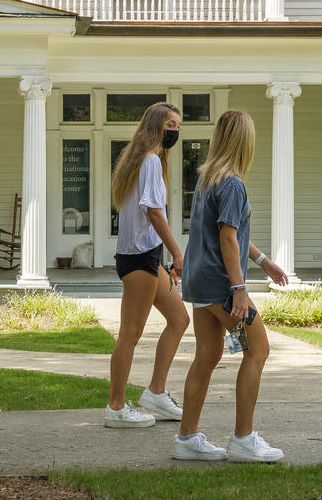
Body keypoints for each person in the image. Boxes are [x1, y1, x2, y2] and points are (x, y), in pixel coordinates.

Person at [173, 109, 289, 463]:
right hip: (220, 284)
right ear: (245, 141)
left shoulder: (209, 179)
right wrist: (239, 289)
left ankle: (187, 439)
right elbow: (227, 237)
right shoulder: (234, 184)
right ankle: (243, 439)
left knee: (207, 356)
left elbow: (231, 235)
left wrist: (263, 261)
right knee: (258, 351)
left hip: (199, 280)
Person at [105, 102, 191, 427]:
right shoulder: (151, 160)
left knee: (179, 318)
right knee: (130, 334)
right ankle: (115, 408)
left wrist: (164, 256)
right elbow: (154, 212)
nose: (175, 131)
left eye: (178, 126)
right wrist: (177, 253)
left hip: (147, 258)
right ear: (156, 126)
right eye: (171, 125)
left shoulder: (139, 159)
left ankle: (155, 391)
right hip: (139, 259)